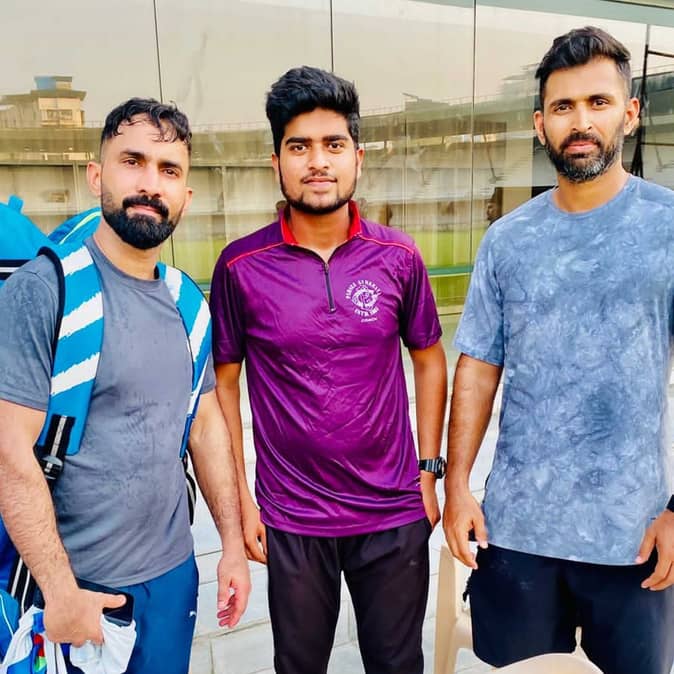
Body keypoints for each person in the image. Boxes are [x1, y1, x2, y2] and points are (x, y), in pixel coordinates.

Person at [443, 26, 674, 674]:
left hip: (632, 535)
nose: (581, 122)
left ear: (630, 113)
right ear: (539, 122)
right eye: (563, 106)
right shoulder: (508, 240)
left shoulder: (667, 228)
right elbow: (478, 367)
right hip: (517, 534)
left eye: (599, 102)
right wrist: (457, 486)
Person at [210, 66, 447, 674]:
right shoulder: (240, 266)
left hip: (392, 511)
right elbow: (224, 387)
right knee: (298, 666)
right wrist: (243, 504)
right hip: (293, 516)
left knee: (398, 665)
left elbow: (428, 359)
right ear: (276, 162)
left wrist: (429, 472)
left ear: (357, 158)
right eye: (300, 147)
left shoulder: (399, 256)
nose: (318, 162)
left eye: (333, 144)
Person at [0, 98, 250, 674]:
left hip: (171, 582)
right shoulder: (45, 291)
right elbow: (11, 452)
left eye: (168, 170)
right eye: (132, 162)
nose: (149, 184)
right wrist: (60, 592)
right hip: (74, 591)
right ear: (97, 176)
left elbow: (204, 426)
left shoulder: (188, 302)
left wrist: (232, 546)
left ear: (186, 194)